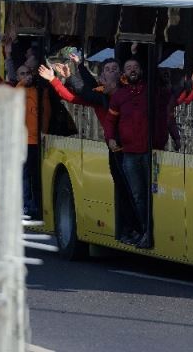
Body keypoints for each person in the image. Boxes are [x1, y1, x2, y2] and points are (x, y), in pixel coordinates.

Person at [38, 56, 143, 244]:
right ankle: (131, 229)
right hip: (117, 150)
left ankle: (139, 229)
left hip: (136, 147)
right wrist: (54, 79)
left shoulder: (129, 91)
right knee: (124, 191)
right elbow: (71, 96)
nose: (113, 71)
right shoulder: (100, 96)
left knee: (136, 191)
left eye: (115, 68)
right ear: (102, 78)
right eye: (108, 69)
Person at [106, 59, 152, 249]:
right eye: (128, 68)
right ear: (124, 73)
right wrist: (110, 139)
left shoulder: (150, 91)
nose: (133, 70)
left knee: (151, 195)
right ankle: (142, 231)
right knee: (137, 195)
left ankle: (149, 231)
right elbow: (110, 121)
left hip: (149, 153)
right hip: (129, 154)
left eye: (135, 67)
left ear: (141, 70)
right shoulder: (119, 96)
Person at [17, 64, 50, 217]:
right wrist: (23, 82)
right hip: (24, 142)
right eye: (23, 74)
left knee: (37, 177)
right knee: (24, 176)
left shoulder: (40, 91)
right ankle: (24, 205)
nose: (27, 76)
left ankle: (37, 206)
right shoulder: (19, 90)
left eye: (29, 73)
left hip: (39, 141)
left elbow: (45, 113)